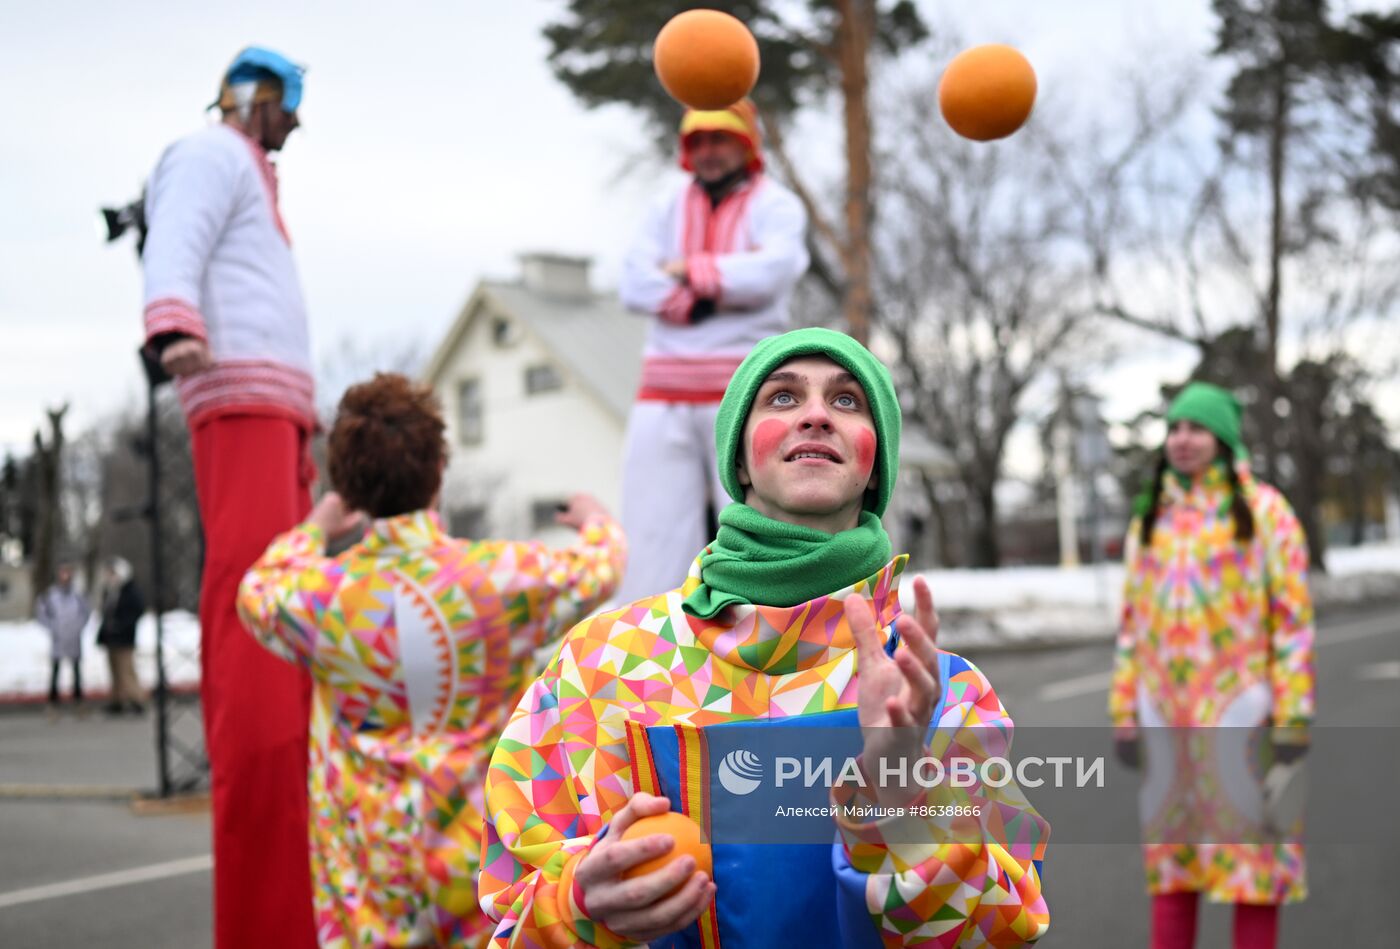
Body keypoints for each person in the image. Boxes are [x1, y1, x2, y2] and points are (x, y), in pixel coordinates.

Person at [479, 328, 1049, 948]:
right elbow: (511, 923)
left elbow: (1001, 929)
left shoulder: (941, 692)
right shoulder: (601, 663)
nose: (815, 415)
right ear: (739, 458)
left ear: (873, 464)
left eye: (847, 401)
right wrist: (578, 909)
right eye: (781, 398)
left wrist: (904, 803)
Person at [237, 373, 626, 948]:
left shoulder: (321, 596)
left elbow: (256, 589)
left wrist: (316, 526)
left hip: (369, 865)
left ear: (347, 486)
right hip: (480, 849)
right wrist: (596, 519)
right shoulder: (501, 578)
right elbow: (603, 566)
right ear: (439, 469)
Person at [140, 45, 318, 947]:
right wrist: (172, 319)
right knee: (255, 600)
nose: (294, 123)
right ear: (253, 96)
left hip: (276, 403)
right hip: (241, 393)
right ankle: (265, 910)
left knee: (283, 604)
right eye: (288, 104)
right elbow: (176, 232)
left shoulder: (253, 171)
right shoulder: (209, 153)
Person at [1110, 382, 1316, 949]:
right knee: (1173, 871)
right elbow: (1132, 623)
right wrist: (1124, 710)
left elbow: (1293, 623)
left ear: (1223, 439)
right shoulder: (1152, 517)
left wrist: (1294, 717)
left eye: (1196, 427)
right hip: (1167, 723)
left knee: (1255, 872)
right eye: (1174, 428)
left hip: (1245, 721)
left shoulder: (1267, 513)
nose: (1181, 439)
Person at [616, 99, 809, 602]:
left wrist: (687, 270)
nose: (708, 152)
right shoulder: (665, 204)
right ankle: (651, 651)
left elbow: (773, 272)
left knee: (758, 520)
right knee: (652, 527)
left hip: (743, 389)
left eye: (719, 138)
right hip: (664, 391)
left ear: (745, 143)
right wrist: (711, 291)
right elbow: (633, 285)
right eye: (697, 141)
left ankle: (770, 632)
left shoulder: (778, 205)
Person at [36, 562, 91, 711]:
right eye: (62, 573)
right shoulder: (50, 595)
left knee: (76, 670)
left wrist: (78, 628)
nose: (65, 576)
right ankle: (53, 702)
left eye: (68, 573)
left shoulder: (78, 595)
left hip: (74, 638)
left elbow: (86, 613)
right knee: (55, 670)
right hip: (58, 638)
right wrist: (53, 628)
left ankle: (79, 701)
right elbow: (41, 614)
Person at [96, 557, 147, 715]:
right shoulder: (111, 591)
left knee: (126, 670)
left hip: (124, 637)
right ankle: (116, 700)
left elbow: (137, 611)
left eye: (113, 573)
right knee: (114, 671)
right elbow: (106, 613)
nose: (110, 576)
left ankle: (137, 699)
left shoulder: (130, 591)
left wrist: (122, 625)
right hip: (112, 637)